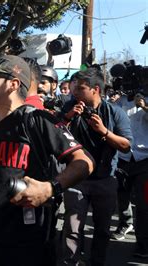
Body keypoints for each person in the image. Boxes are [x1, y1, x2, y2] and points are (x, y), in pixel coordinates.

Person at [0, 55, 94, 266]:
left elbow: (84, 162)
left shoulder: (37, 119)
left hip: (30, 242)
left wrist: (50, 188)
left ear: (13, 84)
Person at [61, 68, 133, 266]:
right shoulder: (69, 107)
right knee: (72, 227)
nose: (75, 92)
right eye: (74, 88)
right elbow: (54, 136)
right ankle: (71, 262)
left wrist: (103, 131)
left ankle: (97, 262)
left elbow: (126, 146)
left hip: (105, 179)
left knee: (102, 229)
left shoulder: (114, 112)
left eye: (81, 88)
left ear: (95, 89)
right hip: (76, 178)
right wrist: (67, 118)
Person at [112, 89, 148, 258]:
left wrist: (145, 106)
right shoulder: (120, 101)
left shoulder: (145, 100)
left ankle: (142, 243)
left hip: (144, 158)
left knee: (143, 203)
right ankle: (125, 223)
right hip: (123, 156)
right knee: (122, 194)